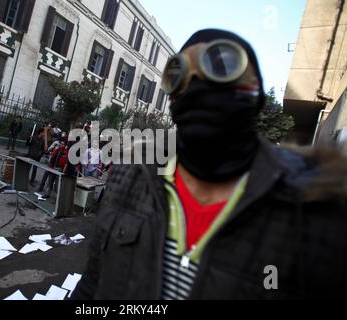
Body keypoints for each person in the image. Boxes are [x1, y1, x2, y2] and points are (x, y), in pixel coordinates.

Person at [72, 29, 347, 300]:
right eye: (179, 74)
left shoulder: (313, 213)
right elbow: (93, 281)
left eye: (225, 67)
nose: (198, 84)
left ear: (258, 96)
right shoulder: (130, 174)